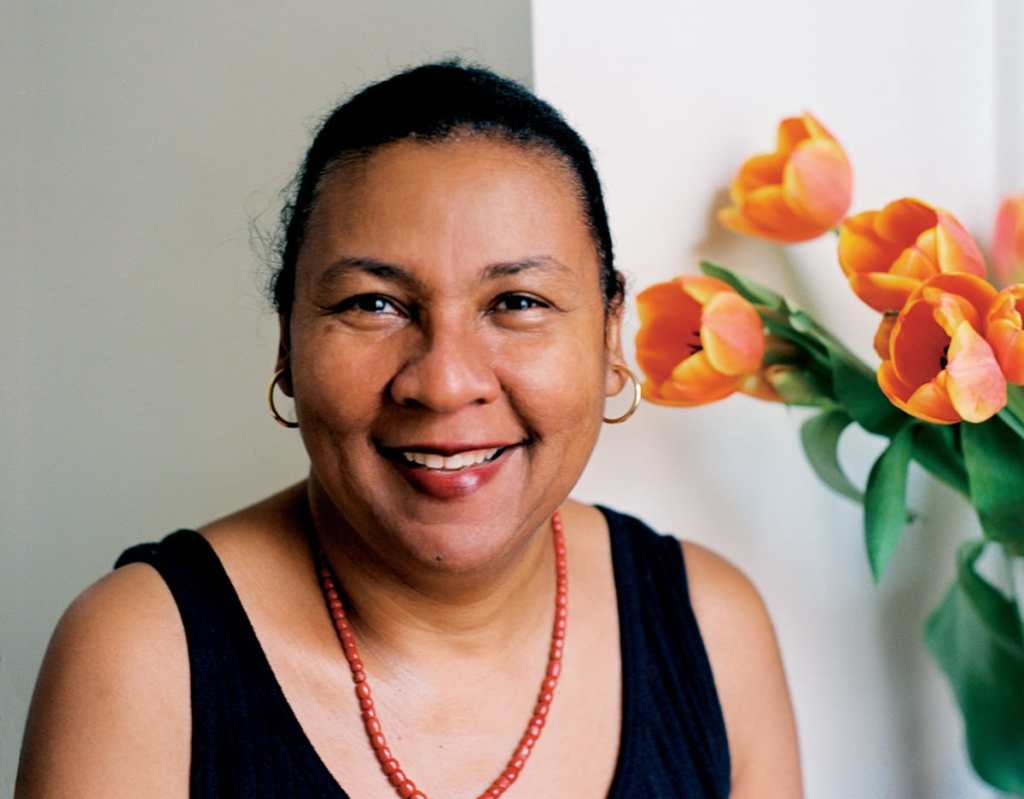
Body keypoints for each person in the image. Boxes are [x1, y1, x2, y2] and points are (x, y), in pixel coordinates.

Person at [15, 60, 802, 798]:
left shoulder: (712, 628)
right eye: (373, 304)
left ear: (607, 335)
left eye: (517, 302)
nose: (446, 381)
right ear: (287, 339)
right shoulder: (141, 655)